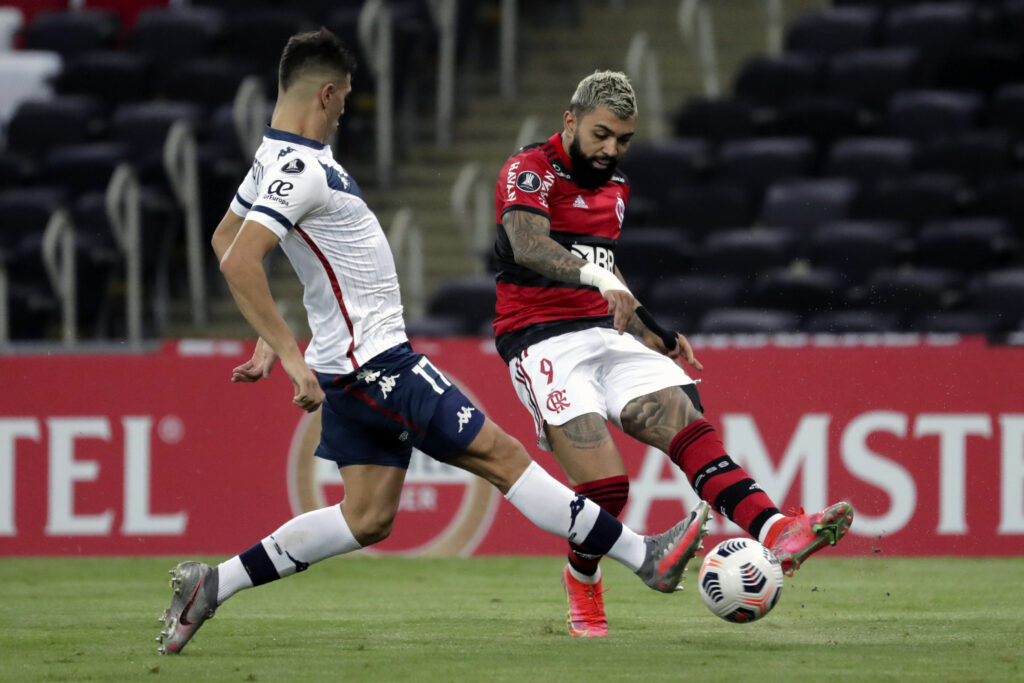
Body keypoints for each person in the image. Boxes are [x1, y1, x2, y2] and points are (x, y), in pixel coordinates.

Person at [156, 31, 712, 656]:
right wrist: (286, 353)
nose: (343, 112)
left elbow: (223, 241)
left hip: (352, 366)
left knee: (367, 517)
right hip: (379, 366)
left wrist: (269, 333)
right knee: (502, 458)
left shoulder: (271, 160)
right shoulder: (300, 167)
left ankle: (213, 584)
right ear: (329, 93)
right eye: (344, 102)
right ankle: (645, 558)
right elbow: (238, 262)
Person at [492, 70, 854, 638]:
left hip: (607, 335)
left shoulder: (616, 190)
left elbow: (608, 278)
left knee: (686, 428)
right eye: (601, 135)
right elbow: (528, 245)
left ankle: (777, 528)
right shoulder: (529, 170)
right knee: (608, 490)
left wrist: (655, 331)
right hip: (539, 337)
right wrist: (596, 277)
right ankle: (582, 580)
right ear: (570, 120)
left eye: (623, 140)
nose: (611, 150)